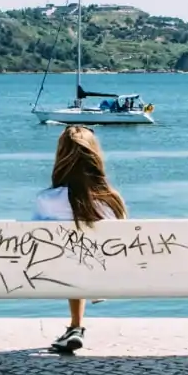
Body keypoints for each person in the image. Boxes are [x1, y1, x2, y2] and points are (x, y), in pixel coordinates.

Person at [33, 124, 127, 354]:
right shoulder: (113, 202)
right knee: (80, 259)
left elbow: (35, 238)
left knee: (71, 259)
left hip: (59, 272)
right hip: (105, 271)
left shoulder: (48, 199)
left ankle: (76, 326)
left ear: (61, 158)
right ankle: (75, 327)